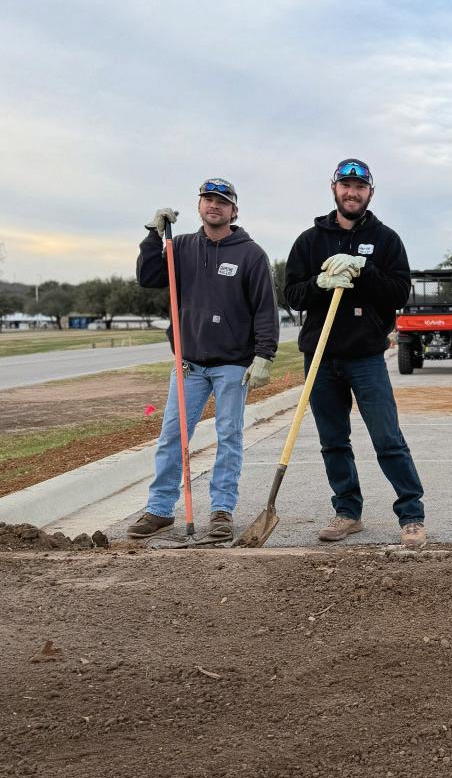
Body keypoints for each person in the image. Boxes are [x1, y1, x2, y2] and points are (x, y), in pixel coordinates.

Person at [284, 159, 427, 549]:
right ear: (334, 189)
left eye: (360, 187)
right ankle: (348, 512)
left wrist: (364, 269)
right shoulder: (309, 241)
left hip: (365, 357)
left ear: (370, 193)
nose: (352, 192)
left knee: (388, 438)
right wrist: (319, 282)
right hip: (320, 357)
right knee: (333, 441)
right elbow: (292, 295)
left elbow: (399, 293)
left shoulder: (386, 240)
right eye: (346, 185)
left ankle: (411, 515)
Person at [127, 177, 279, 543]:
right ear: (199, 206)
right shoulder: (180, 246)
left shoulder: (251, 254)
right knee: (172, 436)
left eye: (222, 202)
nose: (214, 205)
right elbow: (148, 277)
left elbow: (265, 308)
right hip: (189, 363)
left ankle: (221, 511)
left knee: (229, 437)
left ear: (234, 211)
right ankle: (160, 510)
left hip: (232, 364)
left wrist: (264, 355)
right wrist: (153, 236)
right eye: (208, 199)